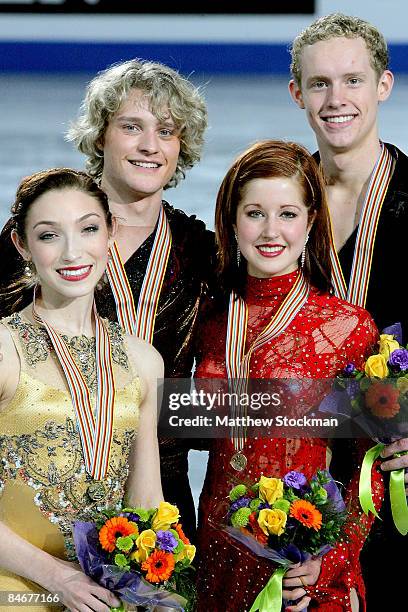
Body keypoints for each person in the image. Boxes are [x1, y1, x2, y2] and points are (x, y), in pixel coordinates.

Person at [0, 59, 214, 539]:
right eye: (131, 127)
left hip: (160, 493)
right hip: (47, 481)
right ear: (100, 136)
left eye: (166, 131)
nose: (150, 146)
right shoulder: (39, 236)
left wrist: (363, 411)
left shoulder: (201, 252)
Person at [194, 140, 383, 612]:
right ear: (231, 221)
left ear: (312, 220)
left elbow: (372, 464)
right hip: (216, 558)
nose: (270, 230)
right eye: (255, 213)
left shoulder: (347, 326)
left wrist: (332, 558)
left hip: (300, 568)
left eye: (287, 213)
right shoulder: (210, 321)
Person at [0, 168, 164, 611]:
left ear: (111, 232)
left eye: (88, 229)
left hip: (105, 598)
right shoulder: (3, 349)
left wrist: (156, 586)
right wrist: (58, 578)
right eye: (49, 235)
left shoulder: (144, 361)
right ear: (23, 246)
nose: (73, 252)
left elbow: (148, 503)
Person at [288, 13, 408, 608]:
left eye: (353, 81)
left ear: (383, 85)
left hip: (396, 468)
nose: (337, 100)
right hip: (297, 474)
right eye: (319, 84)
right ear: (297, 93)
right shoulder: (278, 207)